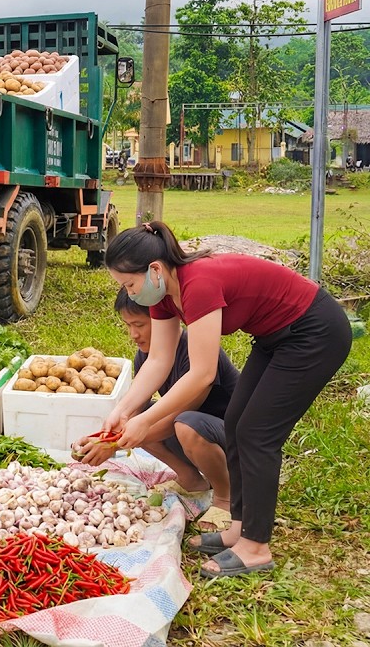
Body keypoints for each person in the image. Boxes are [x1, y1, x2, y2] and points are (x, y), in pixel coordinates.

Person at [103, 221, 352, 579]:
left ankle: (256, 547)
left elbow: (202, 374)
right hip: (274, 338)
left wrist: (144, 421)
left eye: (129, 284)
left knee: (257, 433)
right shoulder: (163, 298)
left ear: (155, 269)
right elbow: (159, 361)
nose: (130, 292)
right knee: (236, 421)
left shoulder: (198, 283)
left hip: (315, 330)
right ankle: (240, 527)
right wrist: (123, 411)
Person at [75, 289, 238, 531]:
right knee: (137, 422)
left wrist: (118, 444)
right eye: (128, 325)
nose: (133, 334)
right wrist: (102, 438)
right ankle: (191, 481)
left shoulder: (196, 349)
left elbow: (179, 413)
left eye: (139, 324)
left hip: (229, 434)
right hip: (189, 428)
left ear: (163, 320)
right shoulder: (147, 355)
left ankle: (226, 498)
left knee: (181, 424)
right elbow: (132, 414)